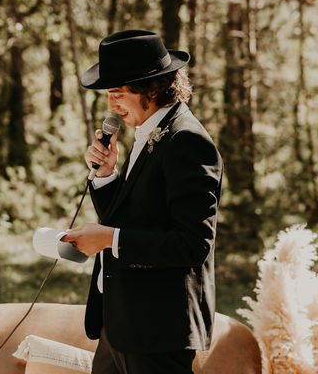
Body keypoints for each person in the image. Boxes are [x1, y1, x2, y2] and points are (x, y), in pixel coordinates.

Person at [62, 30, 223, 374]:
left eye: (118, 94)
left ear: (152, 88)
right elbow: (132, 217)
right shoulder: (147, 131)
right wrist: (107, 175)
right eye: (108, 95)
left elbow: (194, 244)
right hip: (119, 324)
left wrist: (109, 239)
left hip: (158, 330)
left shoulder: (187, 141)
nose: (111, 105)